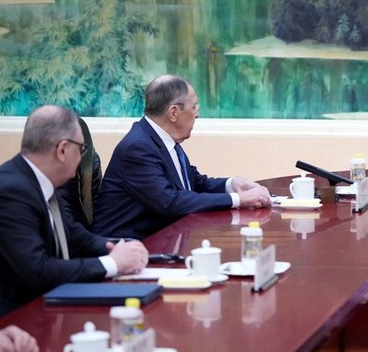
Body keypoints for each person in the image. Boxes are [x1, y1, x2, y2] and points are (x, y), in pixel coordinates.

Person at [0, 106, 148, 320]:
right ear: (63, 150)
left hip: (49, 308)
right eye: (82, 149)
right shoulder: (9, 190)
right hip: (15, 322)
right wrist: (112, 263)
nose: (82, 157)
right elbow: (37, 270)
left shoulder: (39, 181)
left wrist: (117, 247)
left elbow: (74, 235)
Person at [94, 74, 271, 240]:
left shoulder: (163, 140)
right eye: (194, 107)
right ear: (173, 113)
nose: (197, 114)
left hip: (162, 240)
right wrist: (239, 200)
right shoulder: (137, 148)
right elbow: (170, 202)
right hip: (127, 247)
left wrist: (232, 184)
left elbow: (195, 183)